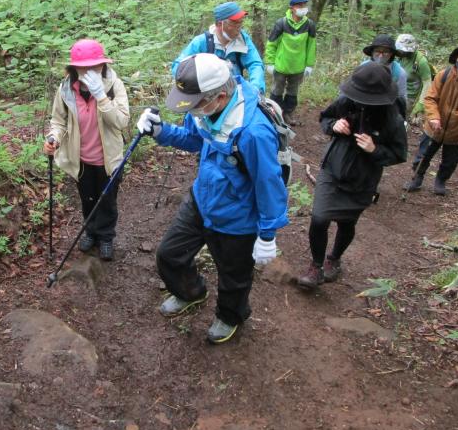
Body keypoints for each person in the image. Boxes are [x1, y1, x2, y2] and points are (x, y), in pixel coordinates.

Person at [137, 53, 289, 344]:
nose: (192, 111)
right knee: (169, 254)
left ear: (220, 96)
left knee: (234, 276)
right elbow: (195, 138)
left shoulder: (253, 132)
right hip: (202, 199)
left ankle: (230, 315)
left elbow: (269, 183)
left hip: (238, 218)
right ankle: (189, 292)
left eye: (195, 105)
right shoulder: (206, 108)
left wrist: (267, 234)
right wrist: (161, 131)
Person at [297, 62, 408, 290]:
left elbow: (399, 153)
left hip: (363, 178)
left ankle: (334, 259)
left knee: (347, 222)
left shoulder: (392, 118)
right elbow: (324, 118)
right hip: (332, 169)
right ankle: (316, 267)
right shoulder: (347, 102)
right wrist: (334, 125)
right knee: (319, 218)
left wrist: (374, 149)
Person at [44, 39, 130, 260]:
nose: (91, 70)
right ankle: (91, 231)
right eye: (85, 66)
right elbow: (58, 121)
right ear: (75, 67)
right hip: (80, 158)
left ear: (103, 65)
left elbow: (121, 122)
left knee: (107, 199)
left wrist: (101, 96)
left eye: (96, 65)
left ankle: (106, 237)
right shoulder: (66, 89)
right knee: (87, 197)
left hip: (108, 158)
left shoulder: (114, 85)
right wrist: (53, 136)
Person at [404, 42, 458, 196]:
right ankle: (416, 178)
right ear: (456, 57)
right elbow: (430, 99)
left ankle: (441, 181)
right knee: (423, 154)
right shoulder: (443, 75)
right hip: (434, 126)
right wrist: (434, 117)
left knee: (450, 161)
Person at [171, 1, 266, 94]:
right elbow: (178, 67)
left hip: (235, 93)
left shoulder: (242, 39)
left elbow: (255, 63)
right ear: (220, 24)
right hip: (208, 94)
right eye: (235, 23)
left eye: (241, 22)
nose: (239, 26)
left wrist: (255, 88)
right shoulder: (202, 42)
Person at [264, 0, 317, 125]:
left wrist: (309, 65)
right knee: (277, 91)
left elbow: (311, 46)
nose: (303, 8)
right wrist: (269, 62)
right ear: (292, 7)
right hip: (281, 66)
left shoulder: (310, 25)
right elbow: (271, 43)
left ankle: (288, 115)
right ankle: (275, 115)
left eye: (304, 5)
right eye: (299, 5)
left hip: (298, 67)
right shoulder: (281, 23)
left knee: (293, 93)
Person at [361, 33, 408, 117]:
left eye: (385, 52)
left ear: (391, 54)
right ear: (372, 52)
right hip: (364, 107)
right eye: (377, 51)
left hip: (388, 110)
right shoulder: (363, 68)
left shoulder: (399, 72)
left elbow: (401, 97)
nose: (381, 55)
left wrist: (400, 118)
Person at [395, 33, 433, 119]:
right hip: (397, 91)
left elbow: (427, 83)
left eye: (403, 51)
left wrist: (421, 103)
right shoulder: (399, 57)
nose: (400, 52)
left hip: (411, 97)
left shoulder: (421, 61)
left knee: (402, 117)